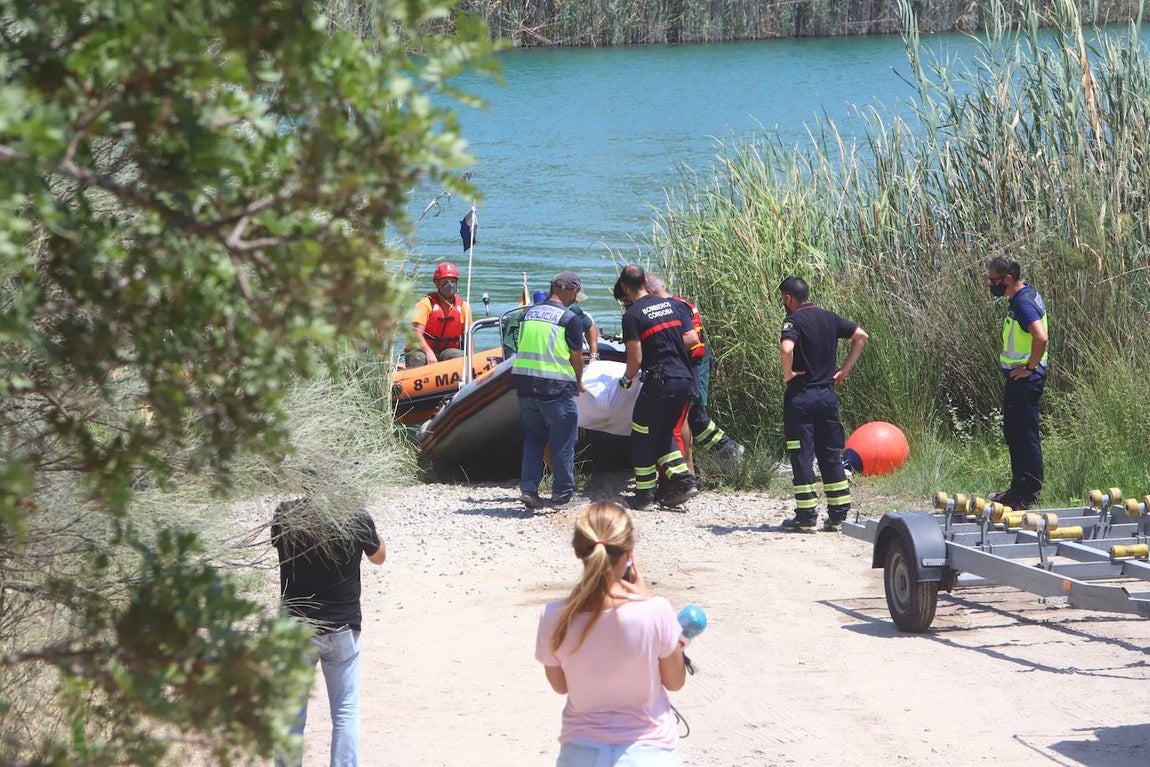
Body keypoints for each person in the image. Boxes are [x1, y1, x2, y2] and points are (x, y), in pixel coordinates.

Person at [535, 501, 688, 767]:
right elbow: (675, 681)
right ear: (629, 553)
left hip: (581, 754)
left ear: (577, 551)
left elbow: (561, 686)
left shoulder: (553, 616)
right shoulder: (656, 610)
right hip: (649, 752)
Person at [272, 496, 387, 767]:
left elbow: (278, 547)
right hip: (343, 627)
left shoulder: (287, 513)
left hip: (296, 628)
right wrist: (369, 530)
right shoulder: (356, 516)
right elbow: (379, 557)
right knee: (345, 712)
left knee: (290, 714)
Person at [778, 276, 868, 533]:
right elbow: (861, 336)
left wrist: (788, 374)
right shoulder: (829, 317)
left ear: (788, 298)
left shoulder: (793, 321)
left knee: (802, 456)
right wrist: (844, 370)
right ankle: (838, 515)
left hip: (801, 397)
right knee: (830, 454)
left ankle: (806, 517)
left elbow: (786, 349)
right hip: (827, 397)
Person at [614, 264, 699, 510]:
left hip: (660, 383)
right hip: (684, 380)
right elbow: (691, 338)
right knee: (662, 433)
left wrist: (625, 380)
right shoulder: (675, 305)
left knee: (641, 434)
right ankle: (685, 481)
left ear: (625, 287)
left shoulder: (632, 315)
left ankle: (644, 496)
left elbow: (635, 359)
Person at [644, 274, 743, 470]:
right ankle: (722, 450)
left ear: (649, 292)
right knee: (689, 413)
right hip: (691, 361)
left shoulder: (675, 307)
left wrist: (662, 347)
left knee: (692, 413)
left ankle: (726, 448)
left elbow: (689, 339)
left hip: (695, 362)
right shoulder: (678, 303)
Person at [510, 271, 587, 509]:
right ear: (568, 290)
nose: (576, 298)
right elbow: (576, 357)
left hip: (525, 386)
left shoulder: (527, 314)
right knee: (563, 441)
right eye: (575, 293)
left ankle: (530, 490)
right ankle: (562, 495)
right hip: (556, 388)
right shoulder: (569, 318)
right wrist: (579, 381)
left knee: (534, 438)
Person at [986, 254, 1049, 511]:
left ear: (1008, 279)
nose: (990, 285)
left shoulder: (1023, 303)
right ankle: (1017, 489)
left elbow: (1040, 338)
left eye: (993, 280)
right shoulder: (1024, 295)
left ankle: (1028, 493)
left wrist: (1030, 367)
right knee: (1015, 433)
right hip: (1020, 378)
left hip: (1025, 379)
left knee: (1025, 436)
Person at [405, 261, 473, 368]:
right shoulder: (426, 304)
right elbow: (416, 335)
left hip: (446, 351)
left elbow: (469, 337)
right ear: (437, 283)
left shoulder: (464, 307)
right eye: (445, 281)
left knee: (461, 357)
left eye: (452, 281)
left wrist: (472, 360)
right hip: (422, 350)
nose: (449, 285)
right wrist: (429, 353)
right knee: (420, 359)